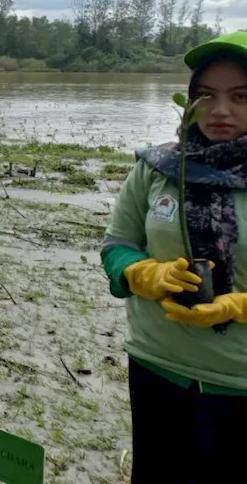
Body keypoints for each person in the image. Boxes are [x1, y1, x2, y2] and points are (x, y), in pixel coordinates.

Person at [102, 31, 247, 482]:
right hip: (156, 367)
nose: (220, 110)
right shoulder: (159, 168)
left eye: (241, 96)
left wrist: (238, 305)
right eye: (206, 96)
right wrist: (141, 273)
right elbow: (116, 246)